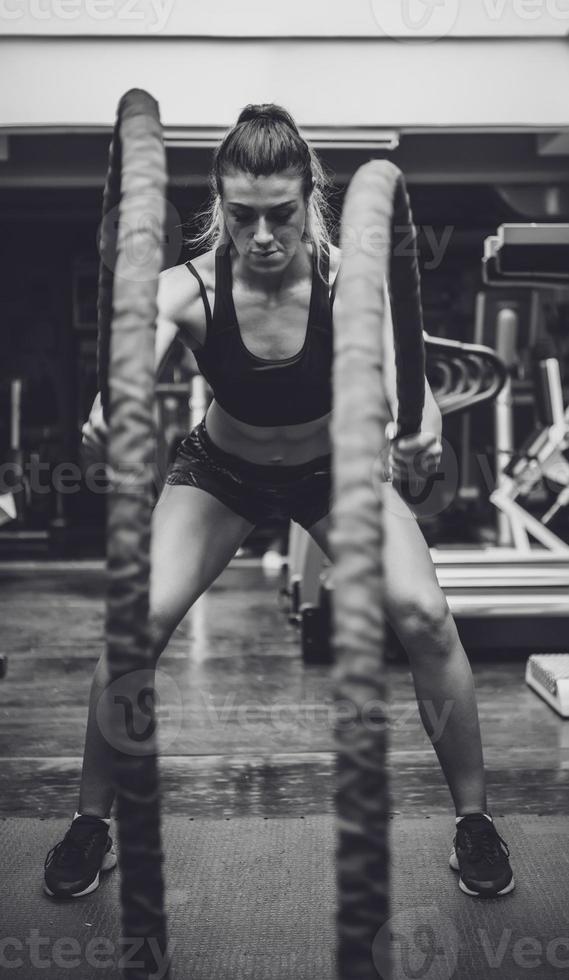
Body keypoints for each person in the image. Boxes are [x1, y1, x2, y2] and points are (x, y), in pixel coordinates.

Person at [43, 104, 513, 901]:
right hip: (220, 472)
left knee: (426, 617)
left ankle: (473, 821)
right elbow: (135, 353)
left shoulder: (349, 284)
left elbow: (413, 389)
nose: (261, 236)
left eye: (280, 215)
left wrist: (423, 432)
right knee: (135, 626)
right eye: (242, 215)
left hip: (336, 470)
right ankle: (92, 821)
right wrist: (112, 404)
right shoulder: (188, 288)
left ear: (310, 203)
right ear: (218, 207)